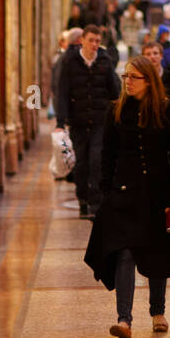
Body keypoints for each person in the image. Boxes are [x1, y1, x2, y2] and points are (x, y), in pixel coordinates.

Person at [84, 56, 170, 338]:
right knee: (124, 253)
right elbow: (108, 154)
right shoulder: (115, 110)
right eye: (125, 76)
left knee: (157, 251)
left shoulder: (167, 110)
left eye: (133, 77)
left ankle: (158, 312)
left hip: (158, 193)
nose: (127, 82)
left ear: (148, 81)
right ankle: (124, 319)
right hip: (124, 194)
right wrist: (106, 192)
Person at [55, 24, 121, 218]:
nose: (94, 44)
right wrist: (60, 122)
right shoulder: (70, 61)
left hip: (100, 120)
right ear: (82, 40)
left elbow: (114, 91)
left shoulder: (105, 60)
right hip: (78, 120)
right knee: (81, 163)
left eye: (98, 41)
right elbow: (63, 92)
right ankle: (82, 199)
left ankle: (94, 203)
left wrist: (117, 117)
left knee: (96, 161)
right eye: (91, 40)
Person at [142, 38, 170, 134]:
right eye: (148, 54)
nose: (152, 57)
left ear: (161, 56)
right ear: (143, 57)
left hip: (168, 130)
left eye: (155, 53)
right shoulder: (140, 79)